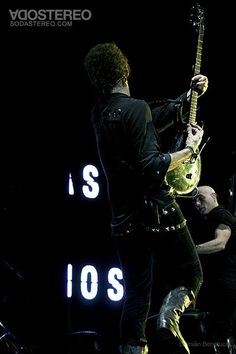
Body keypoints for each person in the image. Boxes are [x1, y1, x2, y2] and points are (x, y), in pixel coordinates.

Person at [83, 42, 208, 354]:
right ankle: (169, 316)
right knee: (193, 272)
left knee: (137, 294)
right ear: (126, 70)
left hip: (123, 222)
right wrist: (191, 150)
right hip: (156, 209)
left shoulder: (100, 114)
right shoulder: (134, 109)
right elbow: (153, 166)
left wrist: (189, 97)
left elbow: (149, 119)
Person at [193, 186, 236, 354]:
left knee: (223, 336)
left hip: (225, 287)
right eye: (194, 201)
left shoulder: (221, 214)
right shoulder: (208, 219)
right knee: (214, 336)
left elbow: (220, 243)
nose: (197, 203)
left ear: (214, 196)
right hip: (217, 286)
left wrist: (191, 250)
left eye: (201, 198)